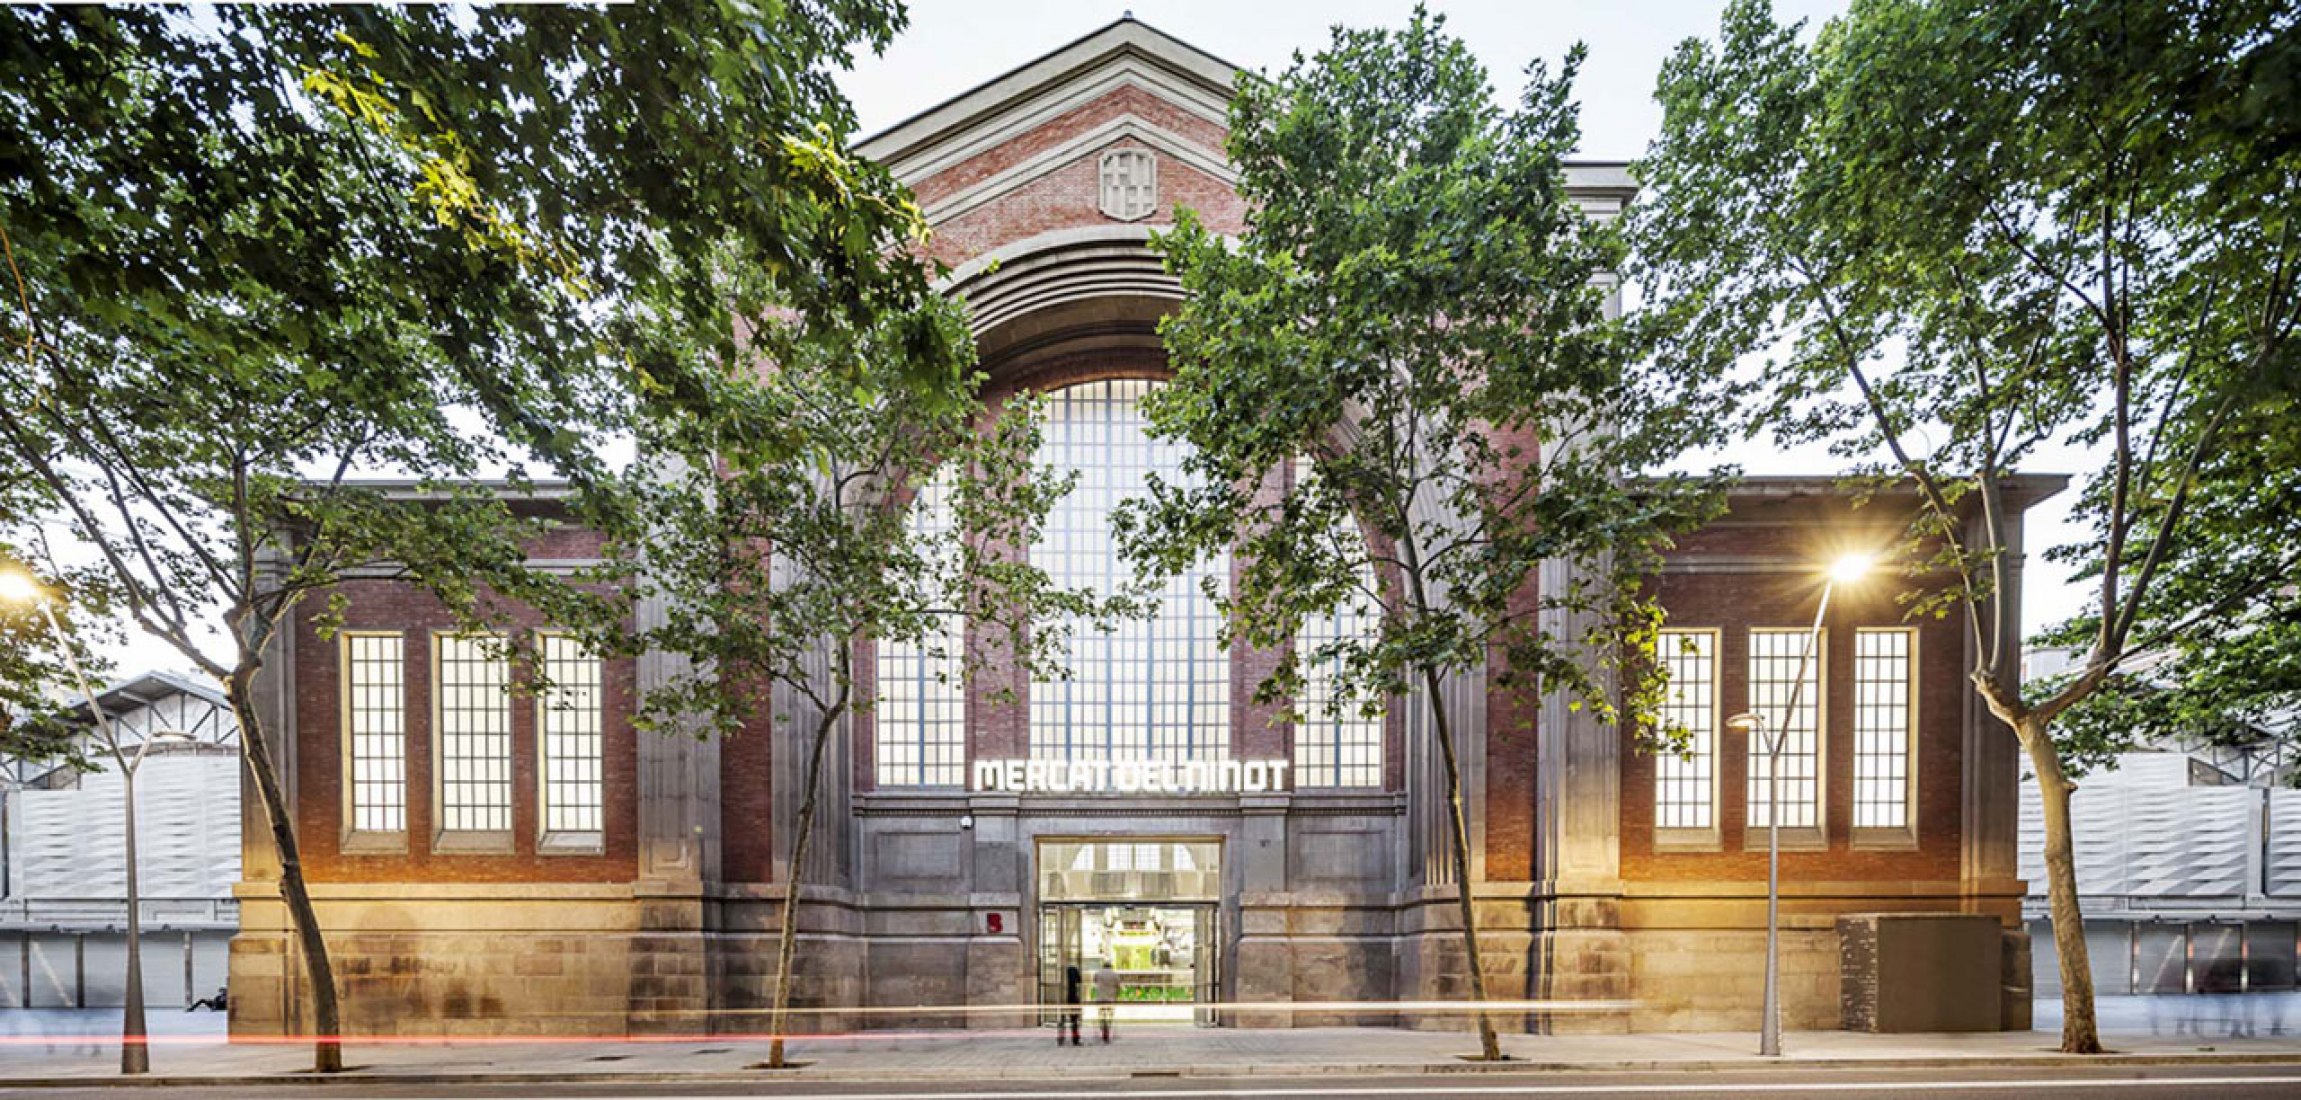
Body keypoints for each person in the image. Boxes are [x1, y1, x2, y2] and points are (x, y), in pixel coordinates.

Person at [1092, 961, 1121, 1042]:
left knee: (1102, 1016)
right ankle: (1107, 1029)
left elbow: (1094, 981)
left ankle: (1104, 1030)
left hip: (1100, 998)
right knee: (1109, 1016)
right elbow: (1118, 986)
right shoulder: (1115, 974)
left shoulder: (1098, 973)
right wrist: (1117, 996)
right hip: (1111, 999)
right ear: (1111, 966)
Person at [1058, 964, 1083, 1046]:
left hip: (1065, 1001)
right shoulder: (1074, 982)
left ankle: (1061, 1038)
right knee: (1074, 1021)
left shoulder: (1064, 979)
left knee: (1063, 1020)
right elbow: (1080, 980)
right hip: (1073, 1001)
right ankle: (1075, 1039)